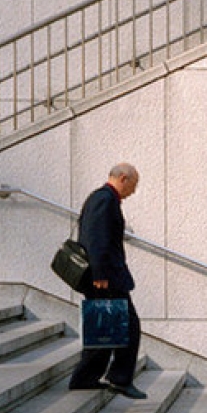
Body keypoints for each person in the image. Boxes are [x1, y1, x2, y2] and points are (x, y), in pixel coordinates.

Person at [68, 163, 147, 400]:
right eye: (133, 185)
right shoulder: (105, 200)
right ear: (123, 178)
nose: (133, 191)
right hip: (106, 278)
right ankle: (119, 378)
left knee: (103, 327)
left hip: (105, 276)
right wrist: (100, 274)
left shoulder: (102, 198)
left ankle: (85, 378)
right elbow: (96, 239)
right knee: (129, 326)